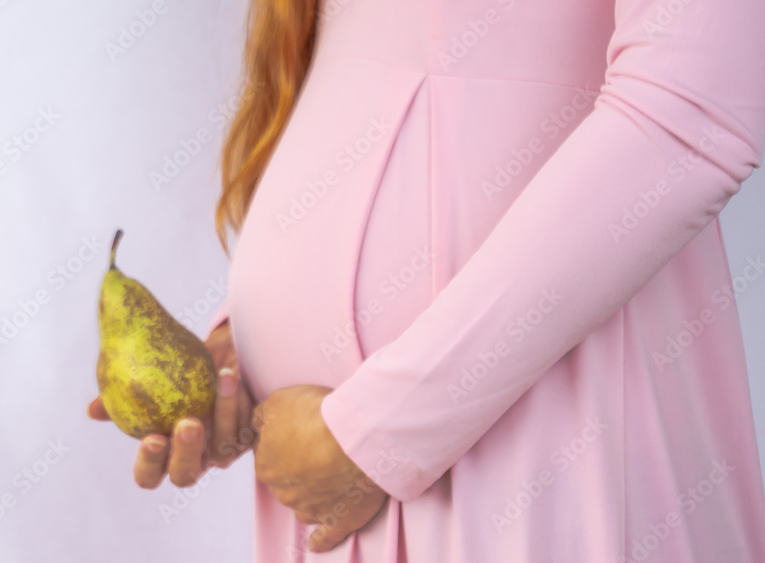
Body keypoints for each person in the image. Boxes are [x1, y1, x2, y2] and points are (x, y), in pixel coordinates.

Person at [90, 0, 765, 560]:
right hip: (331, 472)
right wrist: (246, 357)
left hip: (533, 440)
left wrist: (382, 430)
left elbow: (689, 115)